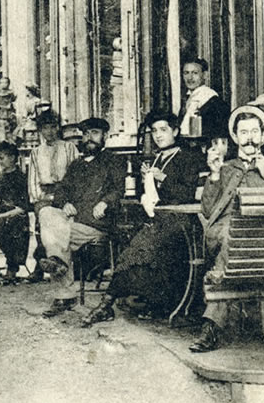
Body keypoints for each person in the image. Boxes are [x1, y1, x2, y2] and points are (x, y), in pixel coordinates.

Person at [82, 109, 204, 326]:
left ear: (175, 131)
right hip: (161, 220)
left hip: (184, 223)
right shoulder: (158, 157)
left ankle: (107, 304)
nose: (158, 135)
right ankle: (118, 303)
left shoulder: (189, 157)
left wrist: (162, 177)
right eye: (154, 131)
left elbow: (190, 194)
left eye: (163, 130)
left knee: (142, 248)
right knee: (134, 248)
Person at [190, 106, 264, 353]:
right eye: (243, 132)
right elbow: (207, 210)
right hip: (227, 233)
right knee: (232, 235)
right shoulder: (225, 168)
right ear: (235, 137)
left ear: (263, 135)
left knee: (235, 242)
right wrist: (214, 175)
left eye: (254, 131)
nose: (249, 137)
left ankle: (212, 323)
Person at [36, 117, 126, 317]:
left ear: (106, 136)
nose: (89, 138)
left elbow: (118, 189)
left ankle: (64, 294)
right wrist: (65, 203)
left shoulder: (114, 160)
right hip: (73, 223)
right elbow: (61, 191)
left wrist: (105, 202)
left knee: (57, 235)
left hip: (97, 224)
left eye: (94, 133)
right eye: (85, 134)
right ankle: (57, 262)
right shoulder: (76, 165)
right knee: (46, 212)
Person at [26, 111, 80, 282]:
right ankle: (41, 265)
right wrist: (38, 200)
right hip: (45, 195)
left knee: (68, 223)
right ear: (40, 130)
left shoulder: (69, 148)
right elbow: (34, 179)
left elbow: (76, 175)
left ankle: (70, 264)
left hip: (66, 194)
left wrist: (69, 196)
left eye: (52, 127)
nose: (49, 131)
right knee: (42, 222)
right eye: (45, 128)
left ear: (58, 128)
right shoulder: (36, 152)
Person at [0, 141, 31, 285]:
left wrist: (4, 215)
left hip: (17, 212)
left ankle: (12, 269)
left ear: (13, 158)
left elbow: (25, 205)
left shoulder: (21, 178)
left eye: (1, 158)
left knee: (5, 226)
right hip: (1, 209)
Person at [179, 57, 228, 140]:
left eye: (195, 73)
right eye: (186, 73)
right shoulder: (188, 100)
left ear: (205, 75)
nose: (190, 78)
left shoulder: (213, 101)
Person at [0, 76, 17, 143]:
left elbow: (13, 100)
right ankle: (1, 140)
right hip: (0, 111)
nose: (4, 84)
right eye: (2, 83)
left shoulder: (10, 93)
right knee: (0, 125)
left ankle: (10, 140)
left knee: (9, 127)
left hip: (8, 112)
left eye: (5, 83)